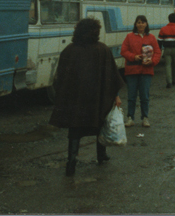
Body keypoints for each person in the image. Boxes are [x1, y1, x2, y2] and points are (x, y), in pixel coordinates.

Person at [49, 18, 125, 177]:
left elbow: (59, 78)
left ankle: (71, 162)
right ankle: (101, 155)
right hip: (96, 102)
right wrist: (116, 96)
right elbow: (112, 77)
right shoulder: (102, 50)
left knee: (75, 131)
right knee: (99, 127)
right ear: (95, 32)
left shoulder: (69, 50)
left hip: (76, 104)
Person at [120, 15, 162, 128]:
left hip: (146, 71)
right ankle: (130, 118)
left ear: (146, 24)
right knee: (131, 96)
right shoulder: (129, 37)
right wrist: (134, 57)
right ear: (135, 24)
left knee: (145, 96)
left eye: (143, 22)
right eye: (138, 22)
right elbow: (123, 51)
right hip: (132, 71)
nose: (141, 24)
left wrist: (152, 61)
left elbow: (158, 52)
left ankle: (145, 118)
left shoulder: (152, 38)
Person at [158, 13, 175, 88]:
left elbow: (159, 40)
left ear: (169, 19)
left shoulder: (163, 29)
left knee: (167, 65)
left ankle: (169, 82)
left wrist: (159, 50)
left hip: (166, 49)